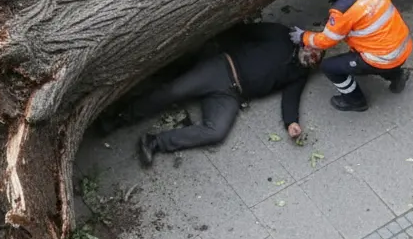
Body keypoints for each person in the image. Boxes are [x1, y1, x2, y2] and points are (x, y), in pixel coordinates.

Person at [131, 22, 322, 167]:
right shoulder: (282, 35)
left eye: (316, 59)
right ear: (307, 41)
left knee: (216, 132)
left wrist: (291, 122)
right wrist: (215, 48)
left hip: (232, 95)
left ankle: (155, 142)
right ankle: (125, 115)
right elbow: (245, 31)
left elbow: (292, 97)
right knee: (173, 91)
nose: (312, 58)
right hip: (222, 68)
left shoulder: (300, 72)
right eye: (314, 51)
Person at [291, 0, 412, 113]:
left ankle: (355, 101)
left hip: (383, 56)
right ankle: (397, 75)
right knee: (380, 57)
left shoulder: (343, 10)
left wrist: (303, 36)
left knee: (329, 67)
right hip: (401, 45)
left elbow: (327, 40)